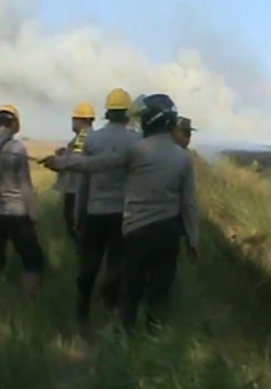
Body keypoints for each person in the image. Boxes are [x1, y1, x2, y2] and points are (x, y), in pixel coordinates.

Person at [41, 93, 200, 334]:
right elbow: (189, 203)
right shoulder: (183, 158)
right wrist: (193, 238)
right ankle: (153, 339)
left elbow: (97, 165)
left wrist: (62, 162)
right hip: (168, 233)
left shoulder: (137, 151)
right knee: (159, 291)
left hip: (137, 230)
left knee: (131, 290)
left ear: (148, 120)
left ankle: (125, 336)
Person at [69, 87, 140, 327]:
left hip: (95, 212)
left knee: (89, 262)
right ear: (127, 114)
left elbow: (84, 181)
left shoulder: (93, 140)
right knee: (116, 264)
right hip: (123, 213)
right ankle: (111, 311)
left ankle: (81, 308)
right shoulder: (136, 142)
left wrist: (79, 211)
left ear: (108, 112)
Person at [0, 104, 45, 298]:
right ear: (14, 123)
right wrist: (33, 215)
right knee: (34, 262)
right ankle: (27, 304)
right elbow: (25, 185)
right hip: (17, 213)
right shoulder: (17, 148)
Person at [52, 101, 96, 252]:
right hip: (86, 193)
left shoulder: (82, 138)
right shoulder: (91, 137)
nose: (72, 122)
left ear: (81, 120)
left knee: (78, 235)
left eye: (74, 119)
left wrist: (58, 162)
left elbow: (75, 163)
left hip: (75, 193)